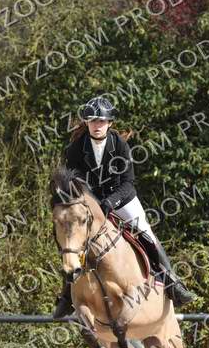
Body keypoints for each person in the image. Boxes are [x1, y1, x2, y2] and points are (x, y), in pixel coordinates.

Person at [52, 95, 196, 318]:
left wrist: (110, 202)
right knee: (72, 237)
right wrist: (89, 203)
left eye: (101, 121)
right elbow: (75, 184)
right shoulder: (75, 149)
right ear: (87, 123)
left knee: (145, 231)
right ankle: (66, 296)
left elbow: (128, 183)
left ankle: (172, 282)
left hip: (121, 199)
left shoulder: (120, 145)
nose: (97, 125)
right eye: (93, 121)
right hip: (91, 203)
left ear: (109, 123)